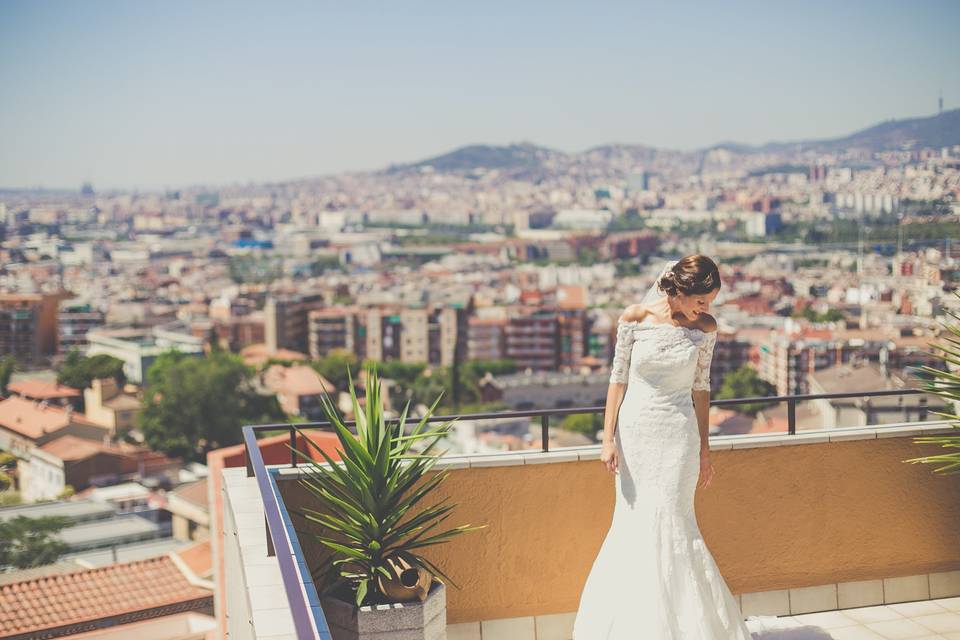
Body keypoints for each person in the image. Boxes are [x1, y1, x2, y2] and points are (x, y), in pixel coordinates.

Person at [573, 255, 813, 639]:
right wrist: (607, 439)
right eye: (701, 300)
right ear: (680, 290)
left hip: (679, 435)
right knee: (634, 522)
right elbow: (617, 381)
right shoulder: (634, 317)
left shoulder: (706, 327)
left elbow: (701, 387)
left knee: (675, 520)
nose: (707, 308)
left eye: (710, 301)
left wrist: (704, 447)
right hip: (635, 434)